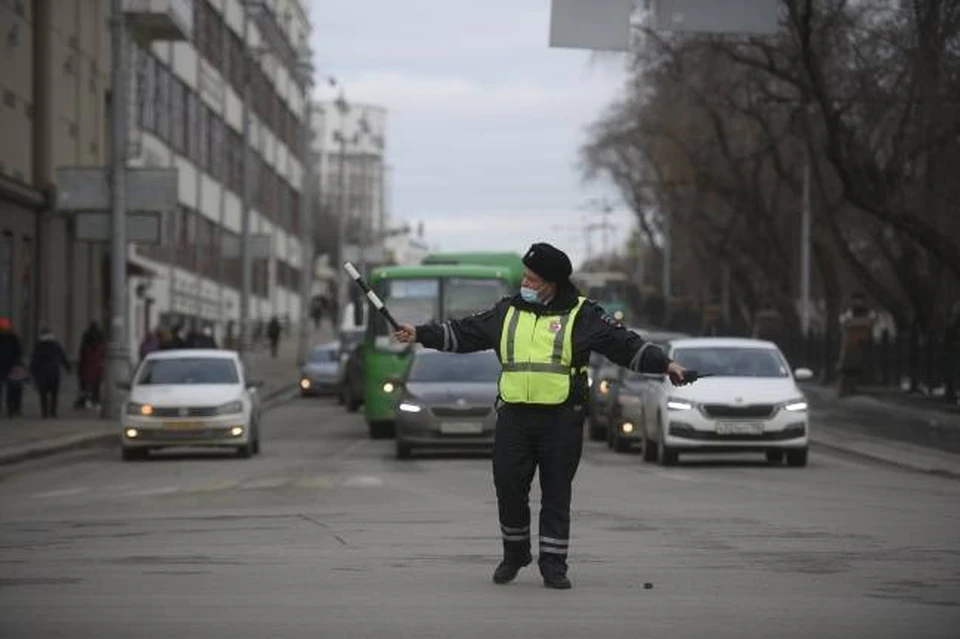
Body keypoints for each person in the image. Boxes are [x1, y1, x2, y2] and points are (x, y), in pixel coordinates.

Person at [394, 242, 688, 589]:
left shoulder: (583, 314)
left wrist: (665, 364)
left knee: (556, 492)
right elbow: (465, 332)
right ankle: (515, 553)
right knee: (508, 488)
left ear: (553, 283)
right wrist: (420, 334)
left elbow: (625, 344)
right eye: (525, 277)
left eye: (533, 279)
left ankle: (554, 565)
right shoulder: (507, 312)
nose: (526, 283)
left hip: (561, 419)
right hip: (515, 418)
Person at [30, 327, 71, 418]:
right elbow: (62, 356)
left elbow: (35, 359)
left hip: (42, 373)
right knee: (54, 393)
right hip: (54, 372)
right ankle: (53, 411)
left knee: (43, 393)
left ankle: (44, 412)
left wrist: (32, 371)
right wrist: (68, 367)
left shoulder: (39, 345)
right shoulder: (55, 344)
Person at [0, 318, 25, 417]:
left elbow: (19, 352)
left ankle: (11, 409)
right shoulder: (14, 338)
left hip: (4, 367)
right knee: (14, 389)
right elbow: (19, 352)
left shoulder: (13, 338)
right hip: (12, 367)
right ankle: (13, 408)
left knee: (10, 389)